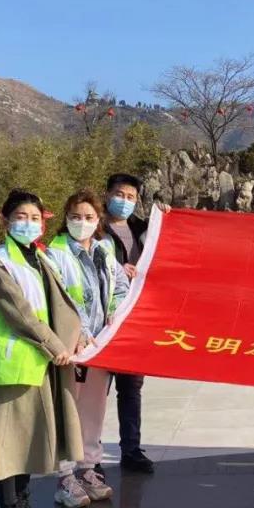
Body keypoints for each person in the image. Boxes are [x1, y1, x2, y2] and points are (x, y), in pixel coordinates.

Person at [0, 189, 85, 508]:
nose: (29, 224)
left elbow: (60, 304)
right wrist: (55, 346)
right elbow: (19, 314)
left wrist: (77, 337)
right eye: (21, 217)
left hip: (37, 363)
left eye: (35, 218)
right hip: (13, 364)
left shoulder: (39, 258)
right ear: (5, 221)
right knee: (6, 445)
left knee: (24, 441)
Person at [44, 189, 131, 508]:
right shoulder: (54, 254)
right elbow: (59, 297)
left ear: (99, 220)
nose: (82, 222)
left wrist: (114, 314)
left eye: (89, 217)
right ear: (66, 219)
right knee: (69, 409)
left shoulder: (104, 250)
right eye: (75, 217)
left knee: (94, 410)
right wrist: (78, 330)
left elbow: (121, 286)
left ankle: (89, 469)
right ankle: (65, 477)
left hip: (100, 345)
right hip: (72, 346)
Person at [99, 173, 156, 474]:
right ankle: (89, 457)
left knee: (131, 389)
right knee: (96, 393)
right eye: (119, 195)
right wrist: (116, 269)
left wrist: (168, 218)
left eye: (131, 197)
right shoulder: (94, 228)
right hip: (101, 320)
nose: (124, 201)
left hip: (134, 319)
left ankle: (131, 450)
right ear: (107, 194)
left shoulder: (143, 229)